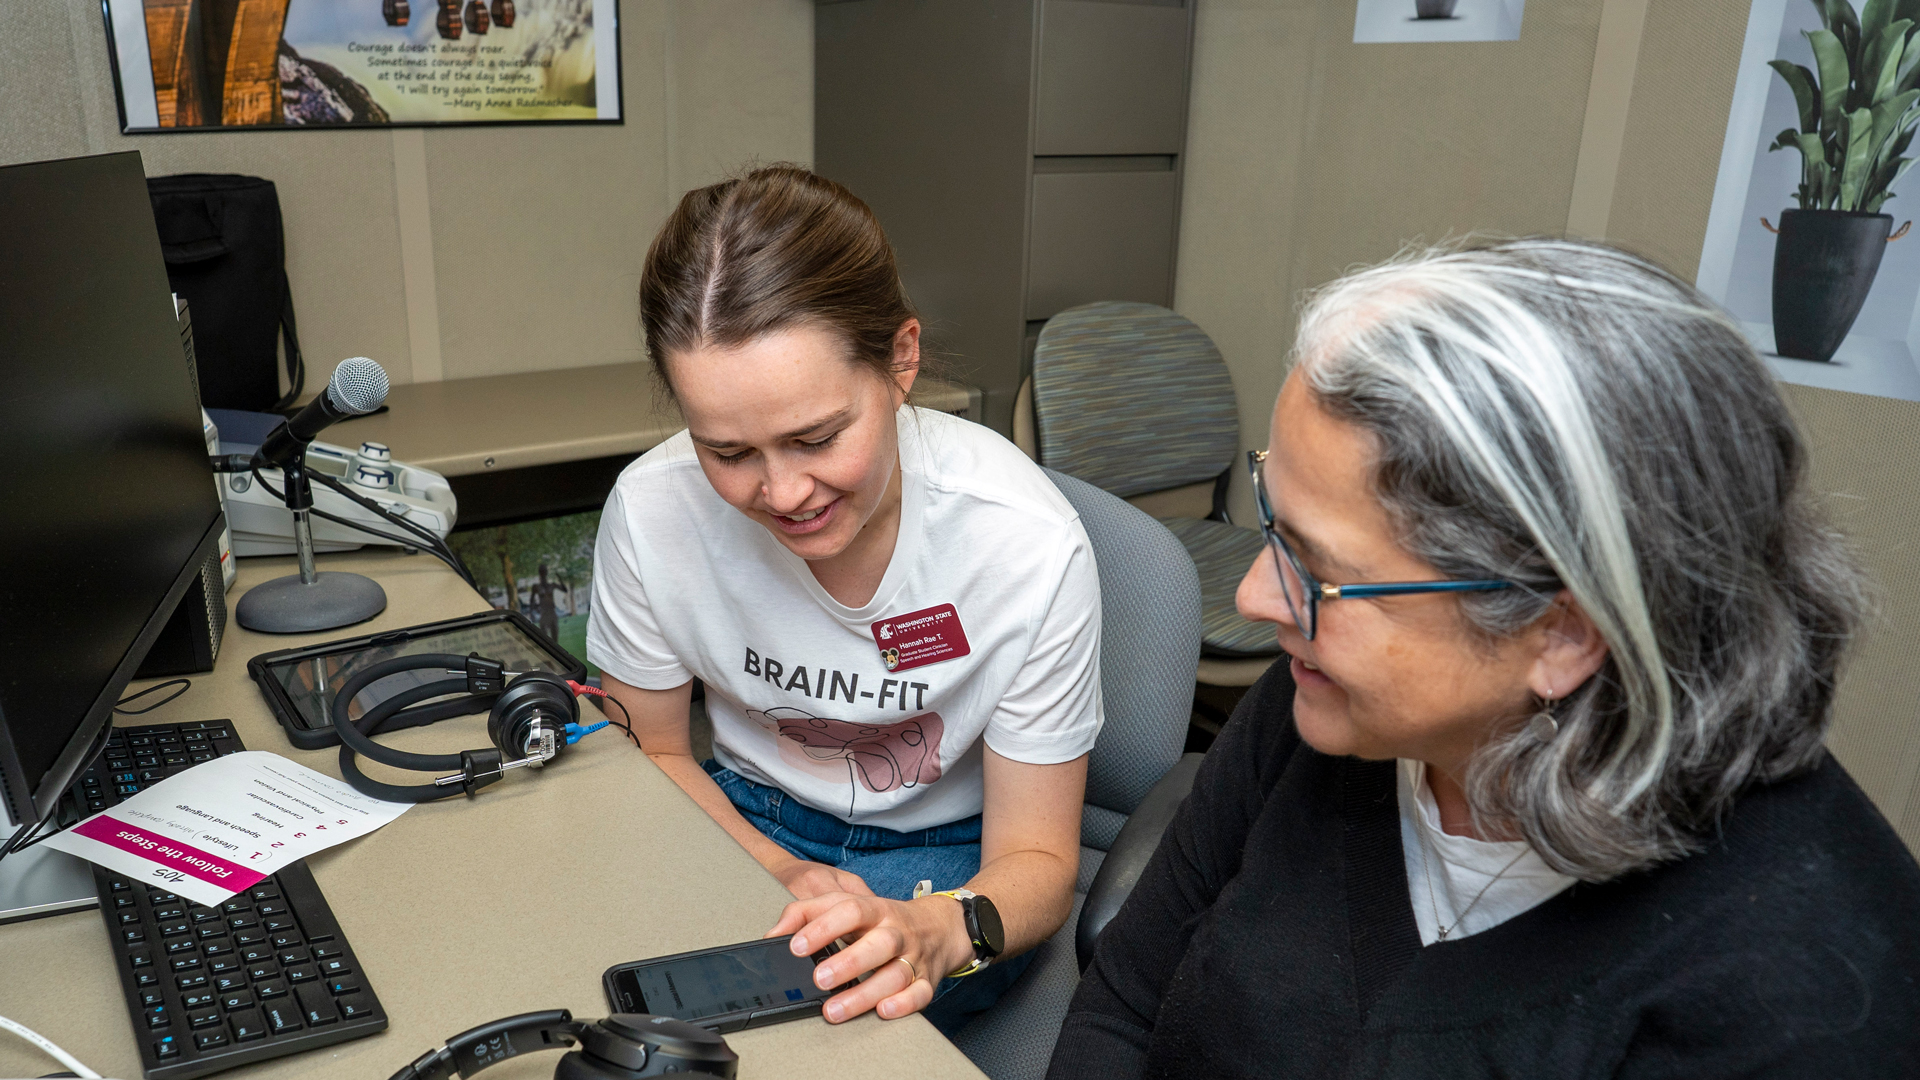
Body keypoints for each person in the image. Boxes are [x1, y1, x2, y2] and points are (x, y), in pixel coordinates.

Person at [1048, 239, 1920, 1077]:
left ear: (1564, 633)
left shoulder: (1818, 995)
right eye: (1274, 525)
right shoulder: (1323, 703)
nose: (1254, 599)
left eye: (1320, 569)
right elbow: (1123, 1005)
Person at [586, 165, 1102, 1035]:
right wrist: (773, 866)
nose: (784, 492)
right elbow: (656, 753)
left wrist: (940, 931)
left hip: (949, 858)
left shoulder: (1024, 543)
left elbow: (1040, 861)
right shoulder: (653, 508)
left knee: (812, 1029)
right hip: (743, 816)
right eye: (727, 452)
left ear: (902, 360)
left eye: (817, 438)